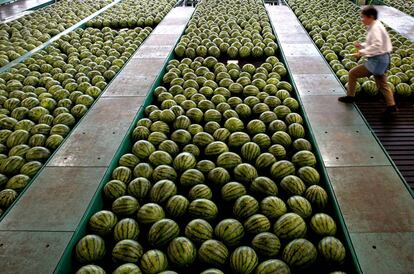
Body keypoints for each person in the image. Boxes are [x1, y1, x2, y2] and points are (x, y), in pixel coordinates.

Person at [338, 6, 397, 115]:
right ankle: (391, 106)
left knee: (353, 73)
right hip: (382, 59)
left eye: (363, 17)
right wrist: (361, 46)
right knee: (382, 84)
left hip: (377, 61)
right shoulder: (376, 25)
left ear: (371, 17)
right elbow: (374, 44)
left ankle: (350, 97)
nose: (362, 19)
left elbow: (377, 45)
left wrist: (361, 52)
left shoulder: (375, 28)